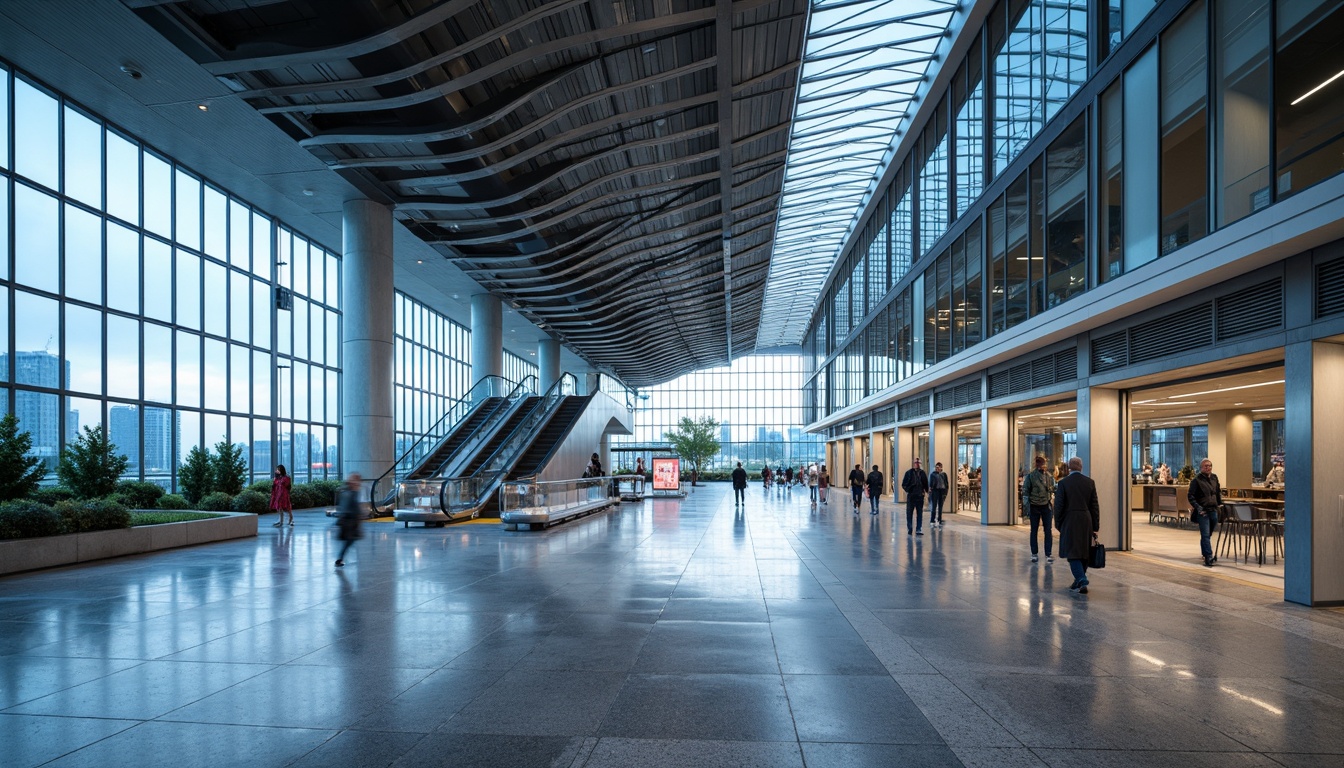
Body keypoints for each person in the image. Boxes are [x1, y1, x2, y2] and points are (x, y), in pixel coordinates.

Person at [1055, 457, 1100, 594]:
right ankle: (1078, 582)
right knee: (1084, 552)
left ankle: (1081, 579)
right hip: (1086, 520)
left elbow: (1059, 506)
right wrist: (1095, 526)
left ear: (1069, 467)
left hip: (1070, 520)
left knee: (1072, 553)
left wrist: (1058, 523)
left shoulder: (1063, 483)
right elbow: (1094, 506)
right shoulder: (1090, 483)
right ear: (1081, 467)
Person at [1187, 458, 1222, 567]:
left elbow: (1217, 492)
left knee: (1208, 534)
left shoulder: (1214, 478)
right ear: (1201, 467)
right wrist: (1198, 508)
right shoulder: (1196, 480)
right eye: (1205, 466)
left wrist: (1219, 504)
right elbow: (1190, 496)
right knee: (1205, 534)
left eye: (1210, 466)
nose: (1208, 468)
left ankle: (1205, 552)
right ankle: (1208, 557)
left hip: (1213, 510)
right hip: (1203, 511)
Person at [1021, 456, 1055, 563]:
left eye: (1044, 464)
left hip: (1046, 506)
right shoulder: (1031, 476)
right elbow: (1026, 492)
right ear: (1037, 464)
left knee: (1048, 530)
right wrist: (1027, 508)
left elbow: (1052, 489)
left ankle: (1048, 553)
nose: (1043, 466)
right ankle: (1034, 553)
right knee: (1034, 530)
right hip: (1035, 506)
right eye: (1041, 464)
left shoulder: (1049, 477)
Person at [334, 472, 364, 568]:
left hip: (349, 520)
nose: (358, 484)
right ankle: (340, 558)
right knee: (349, 540)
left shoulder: (347, 492)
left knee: (349, 540)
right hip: (349, 521)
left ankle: (340, 558)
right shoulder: (351, 493)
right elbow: (352, 506)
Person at [901, 458, 929, 535]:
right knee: (909, 512)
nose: (917, 464)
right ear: (913, 464)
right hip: (911, 496)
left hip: (920, 495)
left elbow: (925, 483)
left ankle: (919, 528)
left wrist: (926, 491)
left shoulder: (922, 473)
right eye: (916, 463)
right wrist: (908, 489)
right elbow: (904, 484)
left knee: (919, 513)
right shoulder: (909, 473)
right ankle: (910, 527)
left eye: (918, 463)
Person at [928, 461, 949, 528]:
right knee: (934, 506)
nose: (937, 468)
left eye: (938, 467)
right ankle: (932, 520)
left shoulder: (944, 474)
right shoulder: (933, 474)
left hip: (942, 491)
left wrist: (946, 491)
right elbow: (931, 483)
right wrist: (930, 490)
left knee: (940, 506)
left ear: (941, 468)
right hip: (935, 491)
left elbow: (946, 483)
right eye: (936, 467)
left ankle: (939, 519)